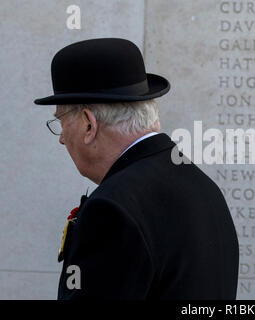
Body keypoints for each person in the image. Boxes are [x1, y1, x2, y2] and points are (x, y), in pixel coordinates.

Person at [34, 38, 239, 300]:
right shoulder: (200, 185)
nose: (62, 138)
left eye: (61, 121)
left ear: (88, 124)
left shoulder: (112, 209)